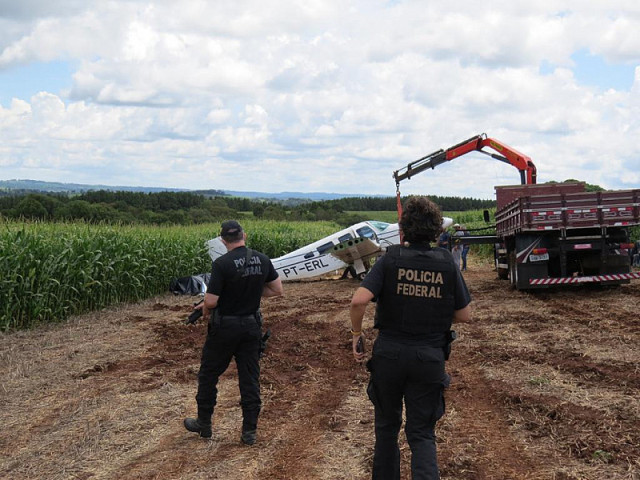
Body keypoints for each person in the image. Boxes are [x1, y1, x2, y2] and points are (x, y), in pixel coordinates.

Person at [350, 196, 471, 480]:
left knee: (386, 429)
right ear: (436, 230)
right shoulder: (446, 263)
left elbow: (358, 301)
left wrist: (357, 333)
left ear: (403, 229)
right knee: (421, 433)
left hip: (389, 355)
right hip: (429, 357)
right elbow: (464, 315)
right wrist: (434, 312)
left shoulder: (390, 258)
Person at [184, 220, 283, 445]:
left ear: (222, 240)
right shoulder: (262, 259)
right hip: (251, 327)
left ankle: (204, 424)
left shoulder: (222, 263)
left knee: (209, 374)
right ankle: (249, 432)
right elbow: (277, 290)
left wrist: (206, 307)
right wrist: (253, 293)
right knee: (249, 378)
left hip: (224, 328)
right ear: (243, 235)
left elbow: (211, 300)